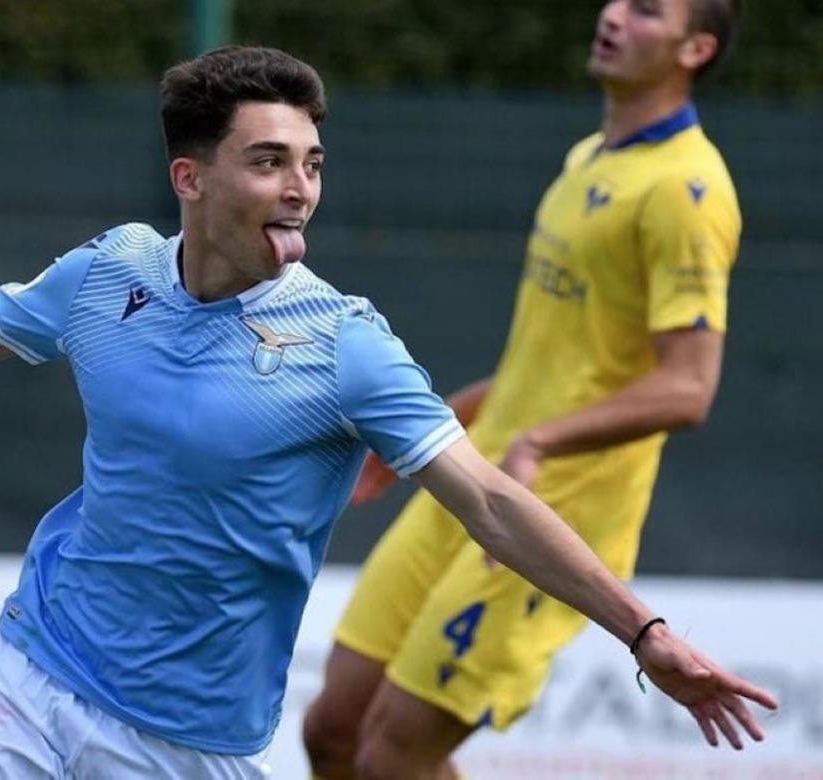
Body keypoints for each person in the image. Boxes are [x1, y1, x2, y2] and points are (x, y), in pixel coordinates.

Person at [0, 46, 772, 780]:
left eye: (313, 163)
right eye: (269, 161)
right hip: (33, 683)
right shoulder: (111, 274)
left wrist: (647, 634)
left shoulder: (345, 341)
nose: (300, 187)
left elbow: (486, 500)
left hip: (190, 747)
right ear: (191, 179)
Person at [303, 1, 753, 778]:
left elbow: (689, 387)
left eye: (647, 10)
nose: (613, 14)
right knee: (332, 731)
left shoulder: (688, 191)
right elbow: (552, 359)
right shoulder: (591, 156)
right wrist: (441, 421)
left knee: (392, 758)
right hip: (475, 476)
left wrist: (539, 440)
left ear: (696, 47)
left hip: (555, 515)